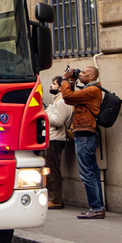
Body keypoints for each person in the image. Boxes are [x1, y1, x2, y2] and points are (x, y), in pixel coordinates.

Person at [59, 64, 105, 219]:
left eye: (84, 73)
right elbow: (70, 101)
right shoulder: (88, 91)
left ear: (92, 76)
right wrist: (71, 82)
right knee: (91, 172)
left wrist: (65, 79)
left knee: (87, 172)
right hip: (85, 133)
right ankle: (97, 206)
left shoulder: (92, 90)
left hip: (85, 134)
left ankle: (96, 207)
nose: (81, 74)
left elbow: (67, 97)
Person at [44, 76, 73, 210]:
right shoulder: (58, 100)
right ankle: (53, 198)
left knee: (53, 170)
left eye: (54, 84)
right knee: (50, 169)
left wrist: (47, 113)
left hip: (56, 139)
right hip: (53, 138)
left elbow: (58, 121)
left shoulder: (62, 102)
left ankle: (56, 199)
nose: (51, 86)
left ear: (61, 87)